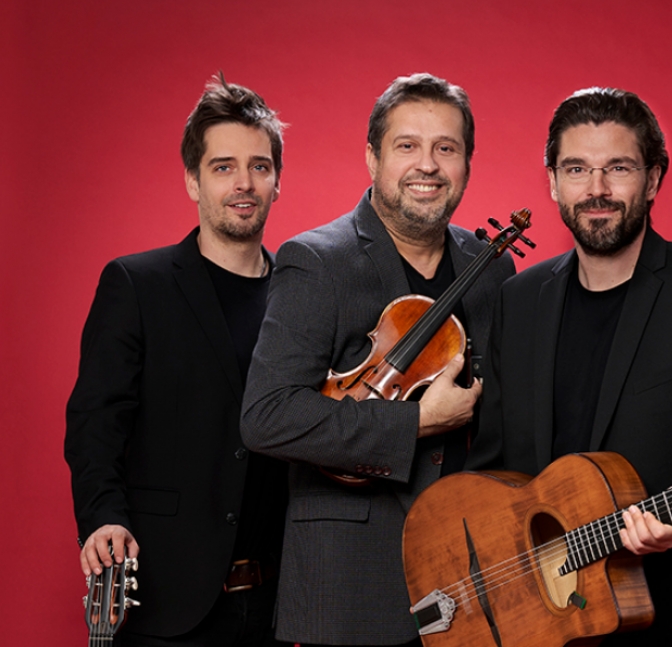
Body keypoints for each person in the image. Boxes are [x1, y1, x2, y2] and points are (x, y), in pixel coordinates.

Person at [466, 87, 672, 646]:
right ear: (553, 181)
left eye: (618, 168)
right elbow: (493, 469)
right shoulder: (519, 300)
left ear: (653, 179)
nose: (597, 190)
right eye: (577, 169)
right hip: (549, 622)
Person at [240, 73, 514, 647]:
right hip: (351, 584)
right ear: (373, 158)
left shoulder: (490, 266)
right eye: (407, 145)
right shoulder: (317, 261)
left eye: (446, 148)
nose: (428, 165)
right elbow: (267, 416)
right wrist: (416, 422)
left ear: (467, 163)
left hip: (474, 573)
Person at [65, 74, 289, 645]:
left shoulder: (302, 294)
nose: (244, 183)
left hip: (280, 604)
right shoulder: (136, 284)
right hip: (166, 598)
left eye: (259, 166)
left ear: (277, 181)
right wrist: (102, 516)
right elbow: (95, 423)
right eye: (223, 167)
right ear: (193, 180)